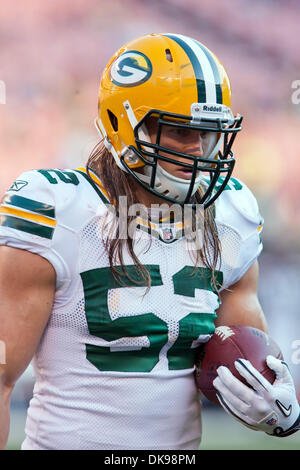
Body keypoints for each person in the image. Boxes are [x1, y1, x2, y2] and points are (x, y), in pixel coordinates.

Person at [0, 33, 299, 451]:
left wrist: (278, 410)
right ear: (123, 124)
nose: (198, 150)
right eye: (179, 131)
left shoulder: (232, 213)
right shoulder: (59, 211)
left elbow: (250, 367)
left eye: (209, 134)